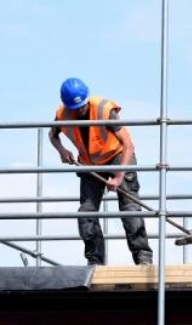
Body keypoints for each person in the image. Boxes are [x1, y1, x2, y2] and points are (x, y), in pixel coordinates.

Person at [50, 77, 153, 266]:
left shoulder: (104, 110)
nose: (79, 110)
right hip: (90, 163)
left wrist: (119, 175)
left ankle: (143, 257)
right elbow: (53, 135)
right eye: (74, 108)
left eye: (81, 105)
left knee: (130, 209)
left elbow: (128, 145)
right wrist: (62, 151)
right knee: (86, 213)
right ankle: (95, 260)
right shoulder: (62, 113)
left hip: (117, 156)